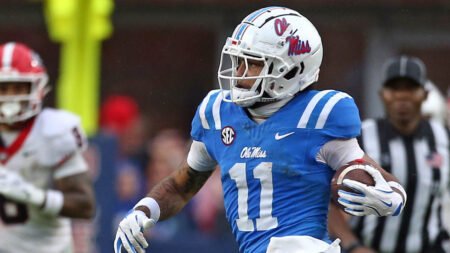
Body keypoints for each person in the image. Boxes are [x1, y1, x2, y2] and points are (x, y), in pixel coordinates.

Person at [114, 7, 407, 253]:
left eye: (253, 63)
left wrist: (392, 194)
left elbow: (360, 167)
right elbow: (181, 185)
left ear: (292, 70)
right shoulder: (217, 112)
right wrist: (144, 211)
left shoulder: (319, 113)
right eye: (239, 60)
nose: (239, 72)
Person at [328, 56, 449, 253]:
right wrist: (353, 245)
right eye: (394, 88)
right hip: (370, 247)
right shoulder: (360, 138)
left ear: (425, 94)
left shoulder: (443, 137)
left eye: (410, 88)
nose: (402, 96)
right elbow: (328, 203)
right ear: (382, 94)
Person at [0, 42, 95, 252]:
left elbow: (84, 205)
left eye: (18, 88)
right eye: (3, 88)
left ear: (37, 88)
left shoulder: (53, 131)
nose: (10, 97)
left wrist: (33, 196)